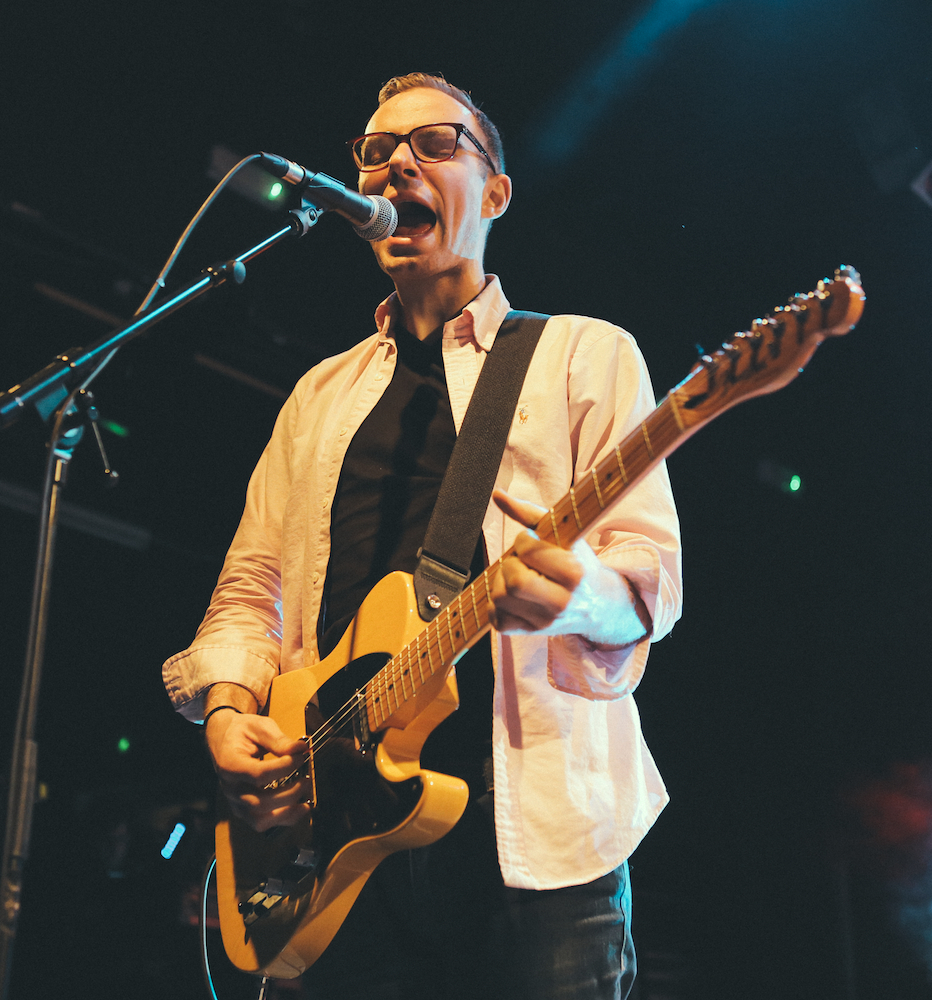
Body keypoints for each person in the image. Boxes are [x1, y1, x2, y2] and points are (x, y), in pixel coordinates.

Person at [162, 72, 683, 999]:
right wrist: (232, 711)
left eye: (436, 143)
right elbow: (249, 591)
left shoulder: (582, 354)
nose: (397, 160)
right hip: (336, 845)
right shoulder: (319, 394)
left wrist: (577, 593)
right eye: (376, 149)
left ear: (495, 192)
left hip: (532, 843)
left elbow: (647, 572)